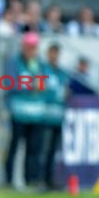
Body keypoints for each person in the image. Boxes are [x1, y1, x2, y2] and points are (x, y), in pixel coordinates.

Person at [4, 32, 46, 189]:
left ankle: (31, 179)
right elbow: (10, 83)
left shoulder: (38, 64)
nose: (32, 50)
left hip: (36, 112)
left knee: (34, 148)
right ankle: (9, 180)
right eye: (29, 47)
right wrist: (30, 86)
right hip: (19, 112)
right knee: (15, 146)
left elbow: (43, 84)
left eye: (34, 47)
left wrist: (40, 86)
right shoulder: (14, 63)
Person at [42, 44, 68, 190]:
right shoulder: (43, 70)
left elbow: (65, 91)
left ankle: (51, 179)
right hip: (45, 115)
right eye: (52, 53)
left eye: (56, 53)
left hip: (58, 116)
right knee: (43, 150)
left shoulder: (62, 72)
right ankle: (41, 179)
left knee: (53, 150)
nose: (54, 56)